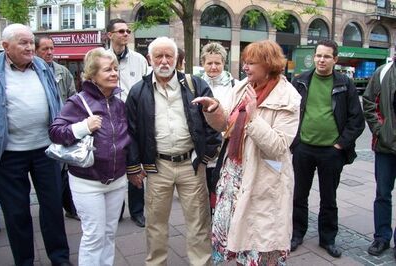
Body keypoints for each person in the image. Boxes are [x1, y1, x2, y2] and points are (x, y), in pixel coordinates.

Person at [193, 40, 301, 265]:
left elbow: (279, 147)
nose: (245, 67)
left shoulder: (288, 97)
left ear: (268, 64)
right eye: (245, 62)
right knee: (237, 239)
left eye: (251, 63)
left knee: (259, 244)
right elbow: (226, 125)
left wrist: (253, 118)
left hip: (264, 180)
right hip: (234, 175)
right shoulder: (243, 86)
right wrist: (212, 109)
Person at [126, 36, 221, 265]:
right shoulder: (138, 91)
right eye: (159, 56)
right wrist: (133, 166)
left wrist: (207, 154)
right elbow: (131, 132)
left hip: (191, 165)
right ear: (150, 59)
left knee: (199, 222)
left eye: (169, 55)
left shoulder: (195, 85)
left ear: (177, 58)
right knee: (155, 224)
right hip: (158, 167)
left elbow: (213, 119)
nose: (164, 61)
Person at [0, 23, 71, 266]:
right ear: (5, 46)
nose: (30, 47)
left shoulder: (42, 67)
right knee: (16, 213)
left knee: (52, 208)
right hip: (8, 155)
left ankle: (59, 258)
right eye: (23, 43)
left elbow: (56, 100)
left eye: (31, 42)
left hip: (45, 150)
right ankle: (24, 261)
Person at [49, 47, 131, 266]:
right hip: (87, 182)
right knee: (94, 237)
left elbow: (126, 139)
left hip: (117, 180)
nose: (114, 73)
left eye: (115, 69)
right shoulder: (77, 102)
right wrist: (83, 126)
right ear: (93, 75)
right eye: (107, 70)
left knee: (109, 234)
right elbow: (55, 132)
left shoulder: (119, 104)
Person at [290, 39, 365, 258]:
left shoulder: (345, 83)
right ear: (314, 57)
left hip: (331, 152)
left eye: (326, 56)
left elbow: (356, 119)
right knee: (299, 195)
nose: (321, 60)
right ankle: (297, 232)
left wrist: (341, 144)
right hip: (303, 148)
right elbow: (290, 112)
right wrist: (295, 142)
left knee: (329, 198)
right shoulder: (301, 80)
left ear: (335, 59)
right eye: (318, 56)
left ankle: (328, 239)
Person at [107, 18, 148, 227]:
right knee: (114, 163)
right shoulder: (100, 58)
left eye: (128, 31)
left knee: (135, 162)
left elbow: (147, 87)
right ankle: (116, 210)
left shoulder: (139, 59)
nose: (126, 34)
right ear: (110, 35)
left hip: (134, 119)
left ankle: (137, 210)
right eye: (121, 31)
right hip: (109, 120)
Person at [35, 35, 79, 221]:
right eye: (45, 49)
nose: (50, 52)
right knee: (53, 173)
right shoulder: (34, 73)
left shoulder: (62, 71)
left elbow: (72, 96)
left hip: (63, 129)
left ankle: (70, 207)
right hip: (42, 134)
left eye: (52, 48)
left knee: (66, 170)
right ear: (36, 51)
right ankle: (56, 207)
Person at [363, 56, 396, 258]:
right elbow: (368, 103)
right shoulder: (383, 72)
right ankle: (382, 237)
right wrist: (380, 130)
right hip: (385, 147)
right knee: (383, 194)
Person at [200, 42, 237, 213]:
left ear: (224, 63)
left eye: (218, 63)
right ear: (203, 63)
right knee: (204, 191)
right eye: (209, 63)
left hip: (226, 147)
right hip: (203, 147)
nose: (213, 67)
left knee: (225, 189)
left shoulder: (234, 85)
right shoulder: (196, 84)